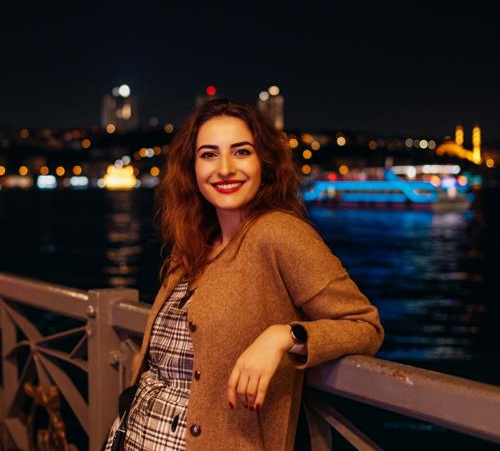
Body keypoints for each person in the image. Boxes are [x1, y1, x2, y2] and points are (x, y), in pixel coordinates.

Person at [104, 98, 384, 450]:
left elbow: (364, 326)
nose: (224, 168)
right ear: (192, 168)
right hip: (133, 437)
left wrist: (284, 336)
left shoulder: (280, 234)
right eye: (209, 154)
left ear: (264, 162)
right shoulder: (194, 244)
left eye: (241, 152)